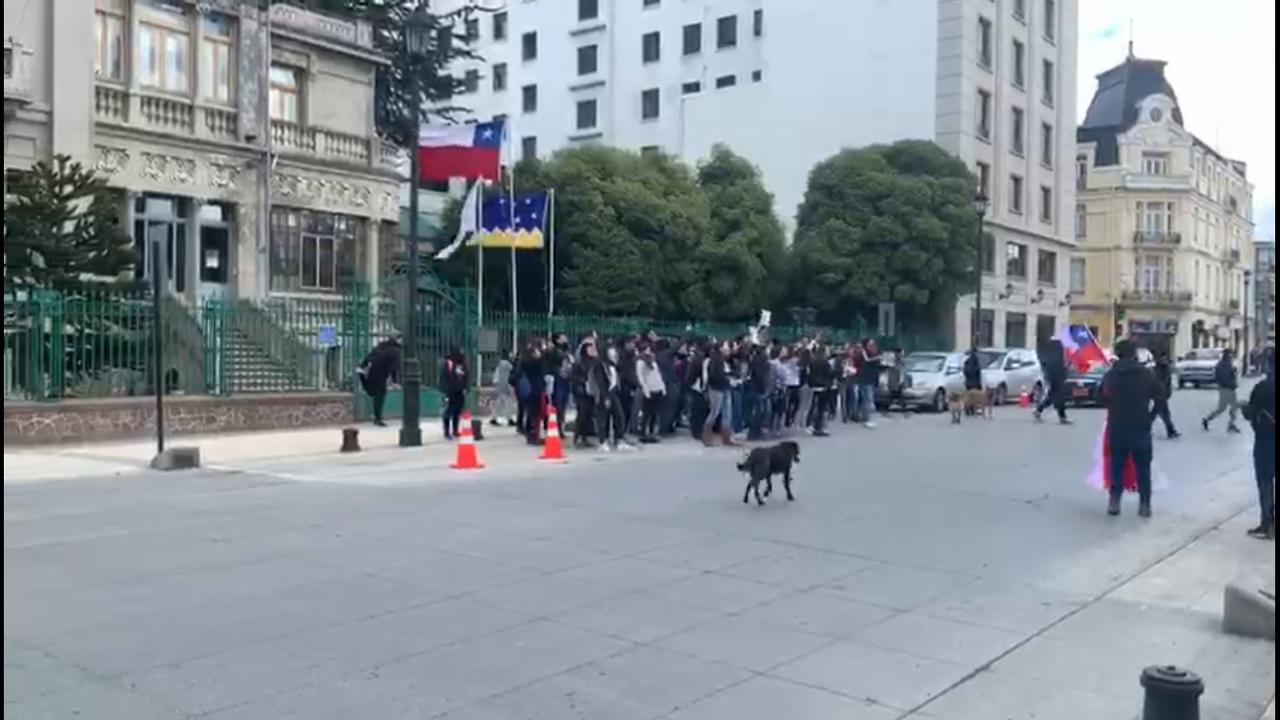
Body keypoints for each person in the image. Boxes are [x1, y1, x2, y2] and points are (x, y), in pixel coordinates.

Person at [1101, 339, 1163, 518]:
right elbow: (1161, 398)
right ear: (1134, 354)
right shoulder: (1146, 374)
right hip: (1140, 426)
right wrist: (1150, 417)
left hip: (1117, 425)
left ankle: (1115, 501)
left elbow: (1101, 396)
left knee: (1117, 466)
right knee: (1143, 467)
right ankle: (1144, 504)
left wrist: (1113, 406)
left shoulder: (1111, 375)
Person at [1242, 352, 1275, 540]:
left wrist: (1245, 408)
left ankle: (1267, 523)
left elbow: (1251, 412)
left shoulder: (1263, 387)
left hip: (1266, 441)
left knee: (1265, 483)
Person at [357, 335, 401, 427]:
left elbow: (369, 357)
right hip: (381, 374)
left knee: (374, 392)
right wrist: (395, 381)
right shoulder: (395, 351)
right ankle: (378, 418)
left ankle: (377, 417)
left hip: (373, 372)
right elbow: (394, 368)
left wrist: (362, 366)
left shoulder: (380, 347)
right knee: (380, 396)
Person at [702, 342, 736, 446]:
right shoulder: (715, 360)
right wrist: (727, 379)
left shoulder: (724, 360)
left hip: (725, 387)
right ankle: (706, 437)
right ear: (720, 348)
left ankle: (726, 438)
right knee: (714, 412)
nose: (728, 349)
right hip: (716, 388)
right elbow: (714, 375)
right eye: (725, 346)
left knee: (727, 413)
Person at [1202, 349, 1242, 434]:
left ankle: (1208, 419)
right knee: (1229, 407)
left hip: (1227, 388)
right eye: (1230, 354)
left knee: (1227, 407)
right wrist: (1232, 381)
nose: (1231, 356)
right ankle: (1229, 424)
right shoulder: (1223, 364)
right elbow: (1225, 377)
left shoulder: (1225, 363)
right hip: (1227, 388)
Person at [1034, 339, 1071, 425]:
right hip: (1056, 377)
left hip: (1056, 377)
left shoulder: (1052, 355)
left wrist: (1067, 367)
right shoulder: (1056, 355)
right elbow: (1059, 366)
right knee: (1058, 397)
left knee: (1052, 397)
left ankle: (1038, 410)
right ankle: (1062, 417)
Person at [636, 345, 666, 443]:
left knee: (655, 413)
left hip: (658, 388)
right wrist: (646, 390)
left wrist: (663, 387)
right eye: (646, 350)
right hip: (649, 390)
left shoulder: (653, 361)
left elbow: (657, 375)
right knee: (646, 414)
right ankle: (644, 434)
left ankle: (653, 433)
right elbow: (640, 377)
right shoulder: (641, 362)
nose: (649, 352)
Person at [438, 347, 469, 441]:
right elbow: (444, 378)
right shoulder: (448, 363)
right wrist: (446, 390)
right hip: (450, 392)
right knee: (448, 411)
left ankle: (455, 430)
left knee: (457, 412)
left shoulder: (463, 364)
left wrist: (466, 387)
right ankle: (447, 432)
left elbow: (466, 376)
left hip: (460, 391)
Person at [570, 341, 596, 448]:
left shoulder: (595, 362)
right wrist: (583, 381)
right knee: (582, 414)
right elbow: (572, 376)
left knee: (589, 414)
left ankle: (584, 436)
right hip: (580, 391)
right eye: (589, 349)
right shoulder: (579, 362)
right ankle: (578, 436)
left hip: (591, 391)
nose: (592, 351)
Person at [519, 342, 546, 445]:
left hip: (533, 389)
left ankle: (533, 433)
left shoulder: (527, 362)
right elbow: (539, 365)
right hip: (533, 389)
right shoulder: (531, 363)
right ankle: (532, 434)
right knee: (534, 412)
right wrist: (541, 355)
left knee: (534, 413)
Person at [1150, 351, 1180, 439]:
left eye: (1165, 359)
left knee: (1158, 413)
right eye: (1162, 359)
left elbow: (1168, 382)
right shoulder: (1157, 370)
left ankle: (1171, 430)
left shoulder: (1166, 369)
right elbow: (1159, 383)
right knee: (1160, 413)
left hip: (1162, 394)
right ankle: (1171, 430)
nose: (1164, 361)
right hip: (1159, 395)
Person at [807, 346, 834, 437]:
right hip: (824, 386)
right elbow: (830, 373)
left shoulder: (813, 361)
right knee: (822, 409)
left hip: (815, 386)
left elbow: (810, 374)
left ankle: (812, 425)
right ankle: (819, 428)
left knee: (815, 406)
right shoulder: (825, 362)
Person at [858, 339, 883, 429]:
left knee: (867, 399)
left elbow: (877, 364)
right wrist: (877, 358)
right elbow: (867, 360)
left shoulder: (874, 352)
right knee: (867, 399)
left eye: (873, 343)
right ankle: (866, 419)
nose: (872, 344)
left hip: (871, 379)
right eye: (870, 343)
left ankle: (864, 417)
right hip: (865, 378)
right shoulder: (864, 352)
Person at [490, 352, 516, 428]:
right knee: (508, 403)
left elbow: (495, 376)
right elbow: (512, 371)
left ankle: (494, 417)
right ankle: (508, 418)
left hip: (498, 386)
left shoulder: (499, 365)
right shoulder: (507, 365)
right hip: (505, 386)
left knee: (497, 404)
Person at [962, 347, 984, 417]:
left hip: (968, 382)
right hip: (975, 382)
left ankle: (968, 409)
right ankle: (973, 409)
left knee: (969, 396)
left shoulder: (967, 361)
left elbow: (965, 371)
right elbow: (978, 373)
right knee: (975, 397)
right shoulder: (976, 360)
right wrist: (979, 384)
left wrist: (967, 378)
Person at [884, 348, 906, 414]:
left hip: (898, 379)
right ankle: (898, 406)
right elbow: (894, 369)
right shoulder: (893, 361)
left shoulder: (901, 360)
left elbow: (902, 370)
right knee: (894, 393)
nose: (903, 354)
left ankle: (901, 406)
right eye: (901, 353)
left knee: (898, 393)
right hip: (894, 380)